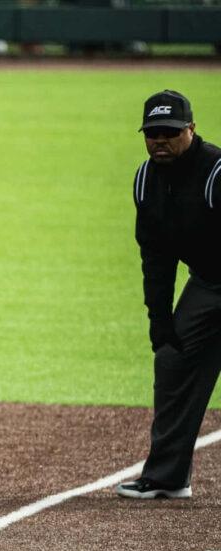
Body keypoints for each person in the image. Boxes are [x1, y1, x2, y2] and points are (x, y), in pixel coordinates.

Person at [116, 90, 221, 500]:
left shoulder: (215, 172)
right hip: (209, 283)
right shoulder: (147, 181)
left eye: (170, 132)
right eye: (153, 133)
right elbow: (156, 258)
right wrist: (158, 318)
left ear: (191, 130)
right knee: (173, 361)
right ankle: (167, 476)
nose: (160, 140)